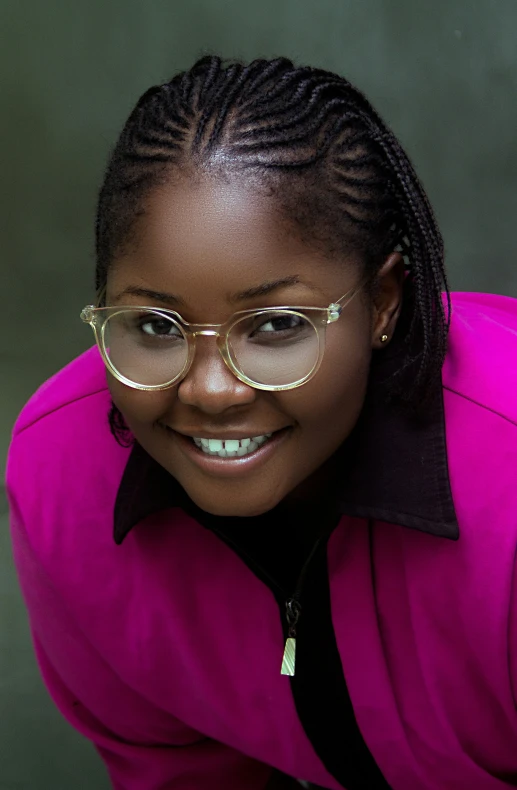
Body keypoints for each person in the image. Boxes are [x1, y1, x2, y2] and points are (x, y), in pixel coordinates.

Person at [5, 54, 517, 790]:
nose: (211, 391)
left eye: (276, 324)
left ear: (382, 304)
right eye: (152, 323)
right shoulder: (61, 474)